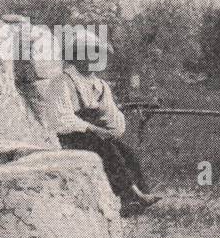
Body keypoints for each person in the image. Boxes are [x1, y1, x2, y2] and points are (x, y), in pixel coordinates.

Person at [53, 44, 159, 213]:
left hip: (96, 134)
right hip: (72, 135)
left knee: (127, 152)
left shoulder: (99, 84)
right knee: (107, 148)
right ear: (76, 57)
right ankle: (132, 195)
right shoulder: (63, 82)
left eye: (96, 56)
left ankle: (139, 198)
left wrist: (112, 127)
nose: (92, 60)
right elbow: (61, 118)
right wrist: (93, 129)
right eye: (87, 55)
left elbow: (112, 115)